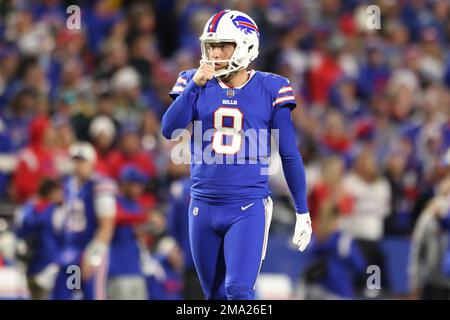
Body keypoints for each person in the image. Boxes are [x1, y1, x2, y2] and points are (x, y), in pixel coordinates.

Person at [161, 10, 312, 300]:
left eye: (224, 45)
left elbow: (289, 152)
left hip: (246, 207)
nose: (214, 53)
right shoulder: (193, 80)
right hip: (201, 206)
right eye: (211, 45)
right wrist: (195, 86)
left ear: (246, 45)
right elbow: (170, 128)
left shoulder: (271, 86)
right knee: (215, 296)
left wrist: (301, 209)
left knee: (238, 291)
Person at [52, 142, 117, 300]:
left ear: (92, 163)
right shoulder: (68, 185)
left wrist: (94, 257)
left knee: (92, 295)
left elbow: (107, 225)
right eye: (75, 160)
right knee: (69, 296)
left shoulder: (99, 185)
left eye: (82, 160)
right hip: (70, 253)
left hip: (89, 250)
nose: (78, 165)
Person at [15, 179, 65, 300]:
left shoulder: (26, 209)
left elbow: (19, 233)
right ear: (52, 193)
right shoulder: (56, 210)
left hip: (30, 265)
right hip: (50, 266)